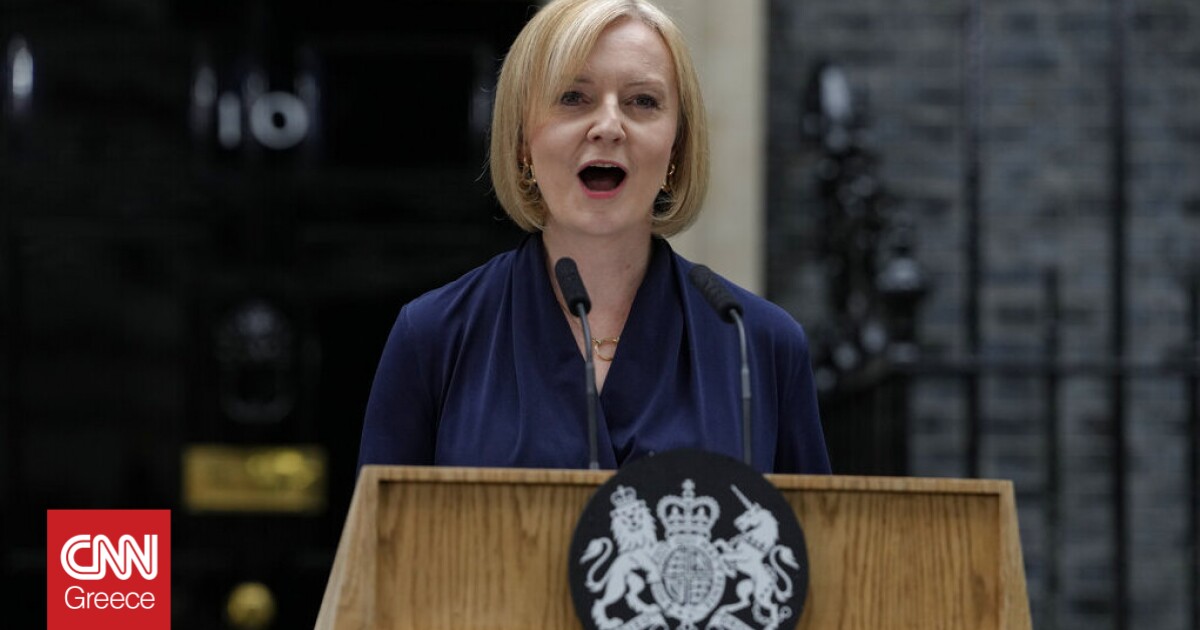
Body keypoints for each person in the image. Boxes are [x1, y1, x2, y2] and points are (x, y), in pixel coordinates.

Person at [357, 0, 830, 474]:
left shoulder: (759, 344)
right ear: (522, 141)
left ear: (676, 147)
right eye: (573, 97)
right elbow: (385, 522)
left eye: (642, 101)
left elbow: (813, 523)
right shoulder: (434, 335)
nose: (608, 127)